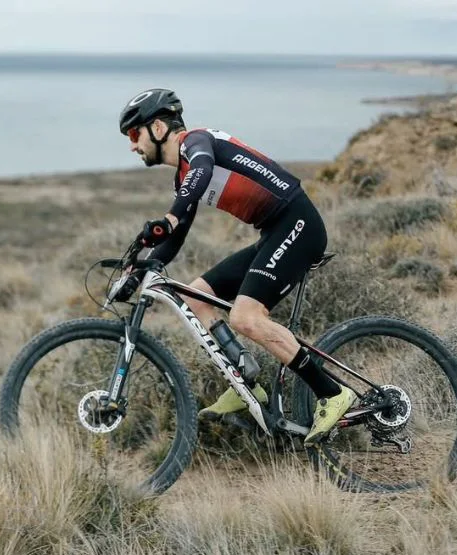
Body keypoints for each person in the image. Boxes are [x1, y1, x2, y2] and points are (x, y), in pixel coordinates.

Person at [114, 87, 354, 445]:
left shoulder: (196, 143)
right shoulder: (183, 176)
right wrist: (141, 271)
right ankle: (247, 384)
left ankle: (332, 393)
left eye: (135, 134)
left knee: (246, 318)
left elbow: (202, 170)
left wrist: (169, 217)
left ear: (159, 128)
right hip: (274, 231)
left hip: (298, 224)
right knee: (195, 296)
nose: (133, 146)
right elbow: (174, 238)